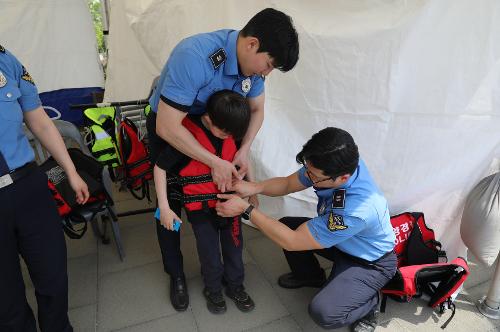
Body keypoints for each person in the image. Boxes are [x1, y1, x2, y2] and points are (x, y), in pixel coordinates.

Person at [146, 7, 299, 310]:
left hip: (219, 125)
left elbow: (256, 110)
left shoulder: (250, 70)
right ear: (252, 44)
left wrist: (242, 150)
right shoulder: (195, 56)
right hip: (173, 124)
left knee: (222, 188)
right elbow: (167, 126)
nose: (265, 74)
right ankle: (175, 274)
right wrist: (213, 161)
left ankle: (228, 268)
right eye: (268, 65)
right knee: (171, 204)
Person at [215, 127, 397, 332]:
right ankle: (310, 275)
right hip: (341, 242)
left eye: (314, 176)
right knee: (285, 225)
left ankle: (369, 302)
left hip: (370, 261)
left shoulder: (358, 208)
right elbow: (286, 184)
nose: (308, 177)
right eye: (307, 170)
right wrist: (254, 187)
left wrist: (245, 209)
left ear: (343, 178)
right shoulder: (335, 162)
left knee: (324, 312)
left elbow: (292, 241)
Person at [0, 46, 89, 332]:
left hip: (27, 186)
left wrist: (71, 172)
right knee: (6, 300)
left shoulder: (6, 60)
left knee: (53, 276)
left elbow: (38, 120)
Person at [154, 90, 254, 314]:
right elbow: (160, 167)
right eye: (225, 132)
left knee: (235, 248)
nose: (229, 137)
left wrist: (252, 189)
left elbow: (243, 162)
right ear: (208, 119)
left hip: (231, 204)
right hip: (200, 210)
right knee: (209, 252)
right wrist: (164, 207)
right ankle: (213, 289)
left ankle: (235, 285)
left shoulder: (231, 130)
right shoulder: (185, 138)